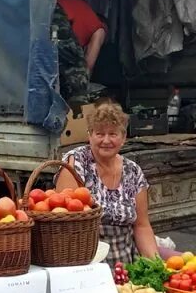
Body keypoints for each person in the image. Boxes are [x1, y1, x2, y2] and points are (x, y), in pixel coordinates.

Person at [57, 98, 157, 264]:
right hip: (86, 265)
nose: (106, 140)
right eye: (100, 133)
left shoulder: (133, 172)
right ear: (90, 135)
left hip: (124, 271)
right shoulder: (76, 163)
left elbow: (142, 226)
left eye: (113, 134)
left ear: (123, 137)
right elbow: (64, 223)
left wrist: (156, 266)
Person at [53, 0, 108, 107]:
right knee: (76, 71)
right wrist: (83, 85)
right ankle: (77, 111)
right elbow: (88, 64)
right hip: (57, 14)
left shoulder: (81, 16)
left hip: (42, 8)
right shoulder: (99, 28)